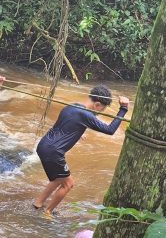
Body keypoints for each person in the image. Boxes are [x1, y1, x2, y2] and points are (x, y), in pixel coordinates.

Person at [33, 85, 130, 218]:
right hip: (54, 152)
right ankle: (47, 213)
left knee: (58, 179)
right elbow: (110, 130)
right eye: (102, 109)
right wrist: (123, 109)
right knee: (68, 184)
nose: (99, 113)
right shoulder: (86, 114)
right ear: (97, 104)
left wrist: (78, 132)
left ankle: (38, 203)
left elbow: (65, 125)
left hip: (43, 146)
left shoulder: (72, 106)